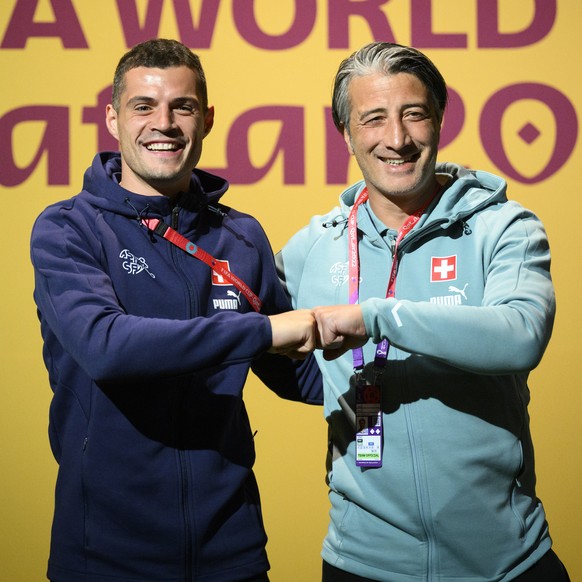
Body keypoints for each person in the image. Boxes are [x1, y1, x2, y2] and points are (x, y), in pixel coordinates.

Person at [31, 38, 322, 582]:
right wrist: (260, 331)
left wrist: (395, 348)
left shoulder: (240, 235)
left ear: (207, 118)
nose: (163, 123)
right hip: (105, 556)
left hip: (231, 551)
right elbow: (107, 347)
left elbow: (298, 374)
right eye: (144, 106)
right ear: (114, 118)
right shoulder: (67, 228)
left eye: (182, 107)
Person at [276, 42, 570, 581]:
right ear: (345, 132)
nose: (397, 139)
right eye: (373, 119)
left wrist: (376, 319)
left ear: (439, 119)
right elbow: (258, 343)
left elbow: (521, 334)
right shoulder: (312, 248)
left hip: (507, 562)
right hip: (361, 563)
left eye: (414, 114)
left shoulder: (502, 226)